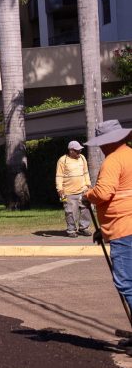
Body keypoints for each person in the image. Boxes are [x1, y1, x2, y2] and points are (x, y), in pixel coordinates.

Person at [84, 120, 132, 311]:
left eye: (102, 143)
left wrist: (87, 195)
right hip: (123, 226)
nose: (101, 147)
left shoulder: (113, 161)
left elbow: (103, 193)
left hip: (124, 229)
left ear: (109, 142)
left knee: (127, 283)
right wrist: (103, 231)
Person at [55, 140, 92, 237]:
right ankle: (71, 230)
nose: (79, 152)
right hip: (68, 192)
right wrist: (60, 189)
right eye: (77, 150)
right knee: (70, 212)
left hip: (83, 190)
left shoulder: (82, 158)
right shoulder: (63, 160)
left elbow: (86, 172)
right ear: (71, 150)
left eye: (80, 150)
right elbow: (59, 176)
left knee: (86, 209)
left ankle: (84, 228)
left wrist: (88, 185)